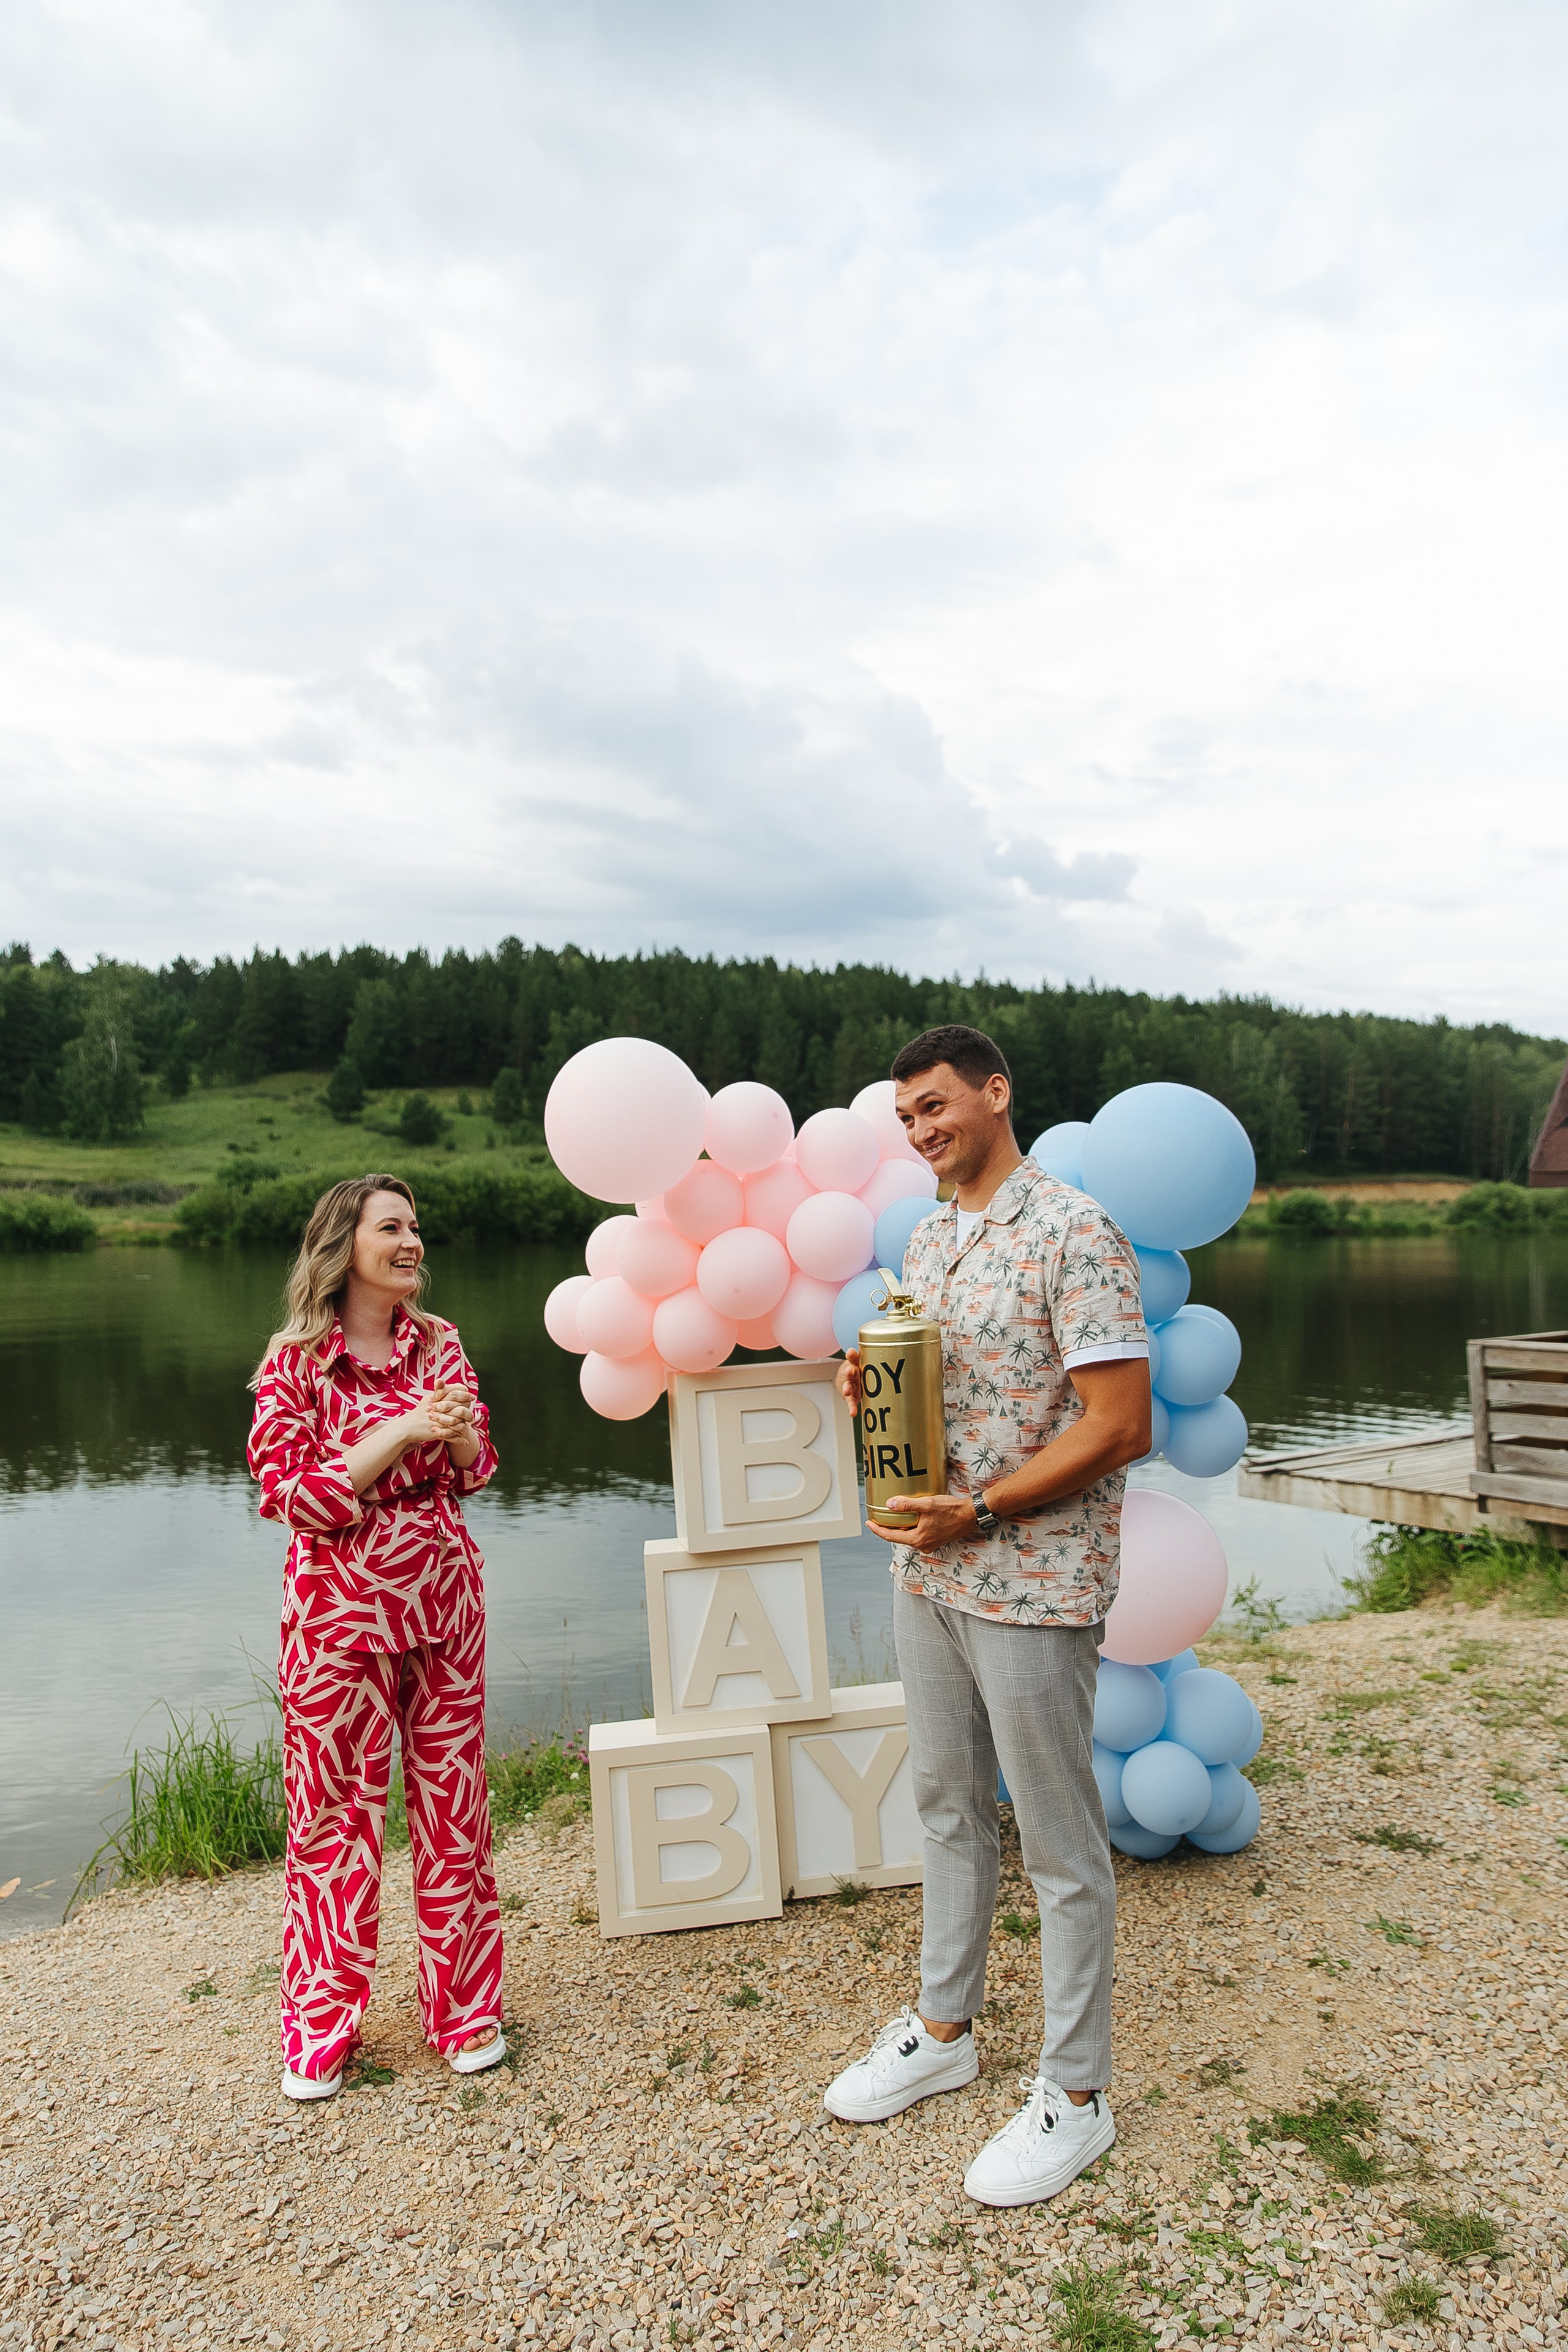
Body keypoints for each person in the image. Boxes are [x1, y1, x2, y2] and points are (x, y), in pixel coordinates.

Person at [823, 1027, 1150, 2207]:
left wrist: (985, 1509)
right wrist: (875, 1390)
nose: (919, 1132)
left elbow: (1121, 1425)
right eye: (905, 1118)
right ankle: (945, 2033)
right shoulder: (932, 1236)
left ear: (996, 1092)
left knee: (1061, 1845)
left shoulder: (1075, 1231)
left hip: (1035, 1579)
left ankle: (1076, 2094)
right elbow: (942, 1385)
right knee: (948, 1809)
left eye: (935, 1106)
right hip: (934, 1576)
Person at [247, 1174, 507, 2101]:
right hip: (338, 1623)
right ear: (343, 1244)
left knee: (455, 1816)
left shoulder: (441, 1343)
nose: (412, 1242)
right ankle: (323, 2025)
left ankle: (467, 2011)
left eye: (416, 1227)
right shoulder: (295, 1364)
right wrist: (402, 1430)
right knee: (331, 1824)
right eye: (392, 1227)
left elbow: (476, 1471)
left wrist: (464, 1440)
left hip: (445, 1608)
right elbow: (297, 1497)